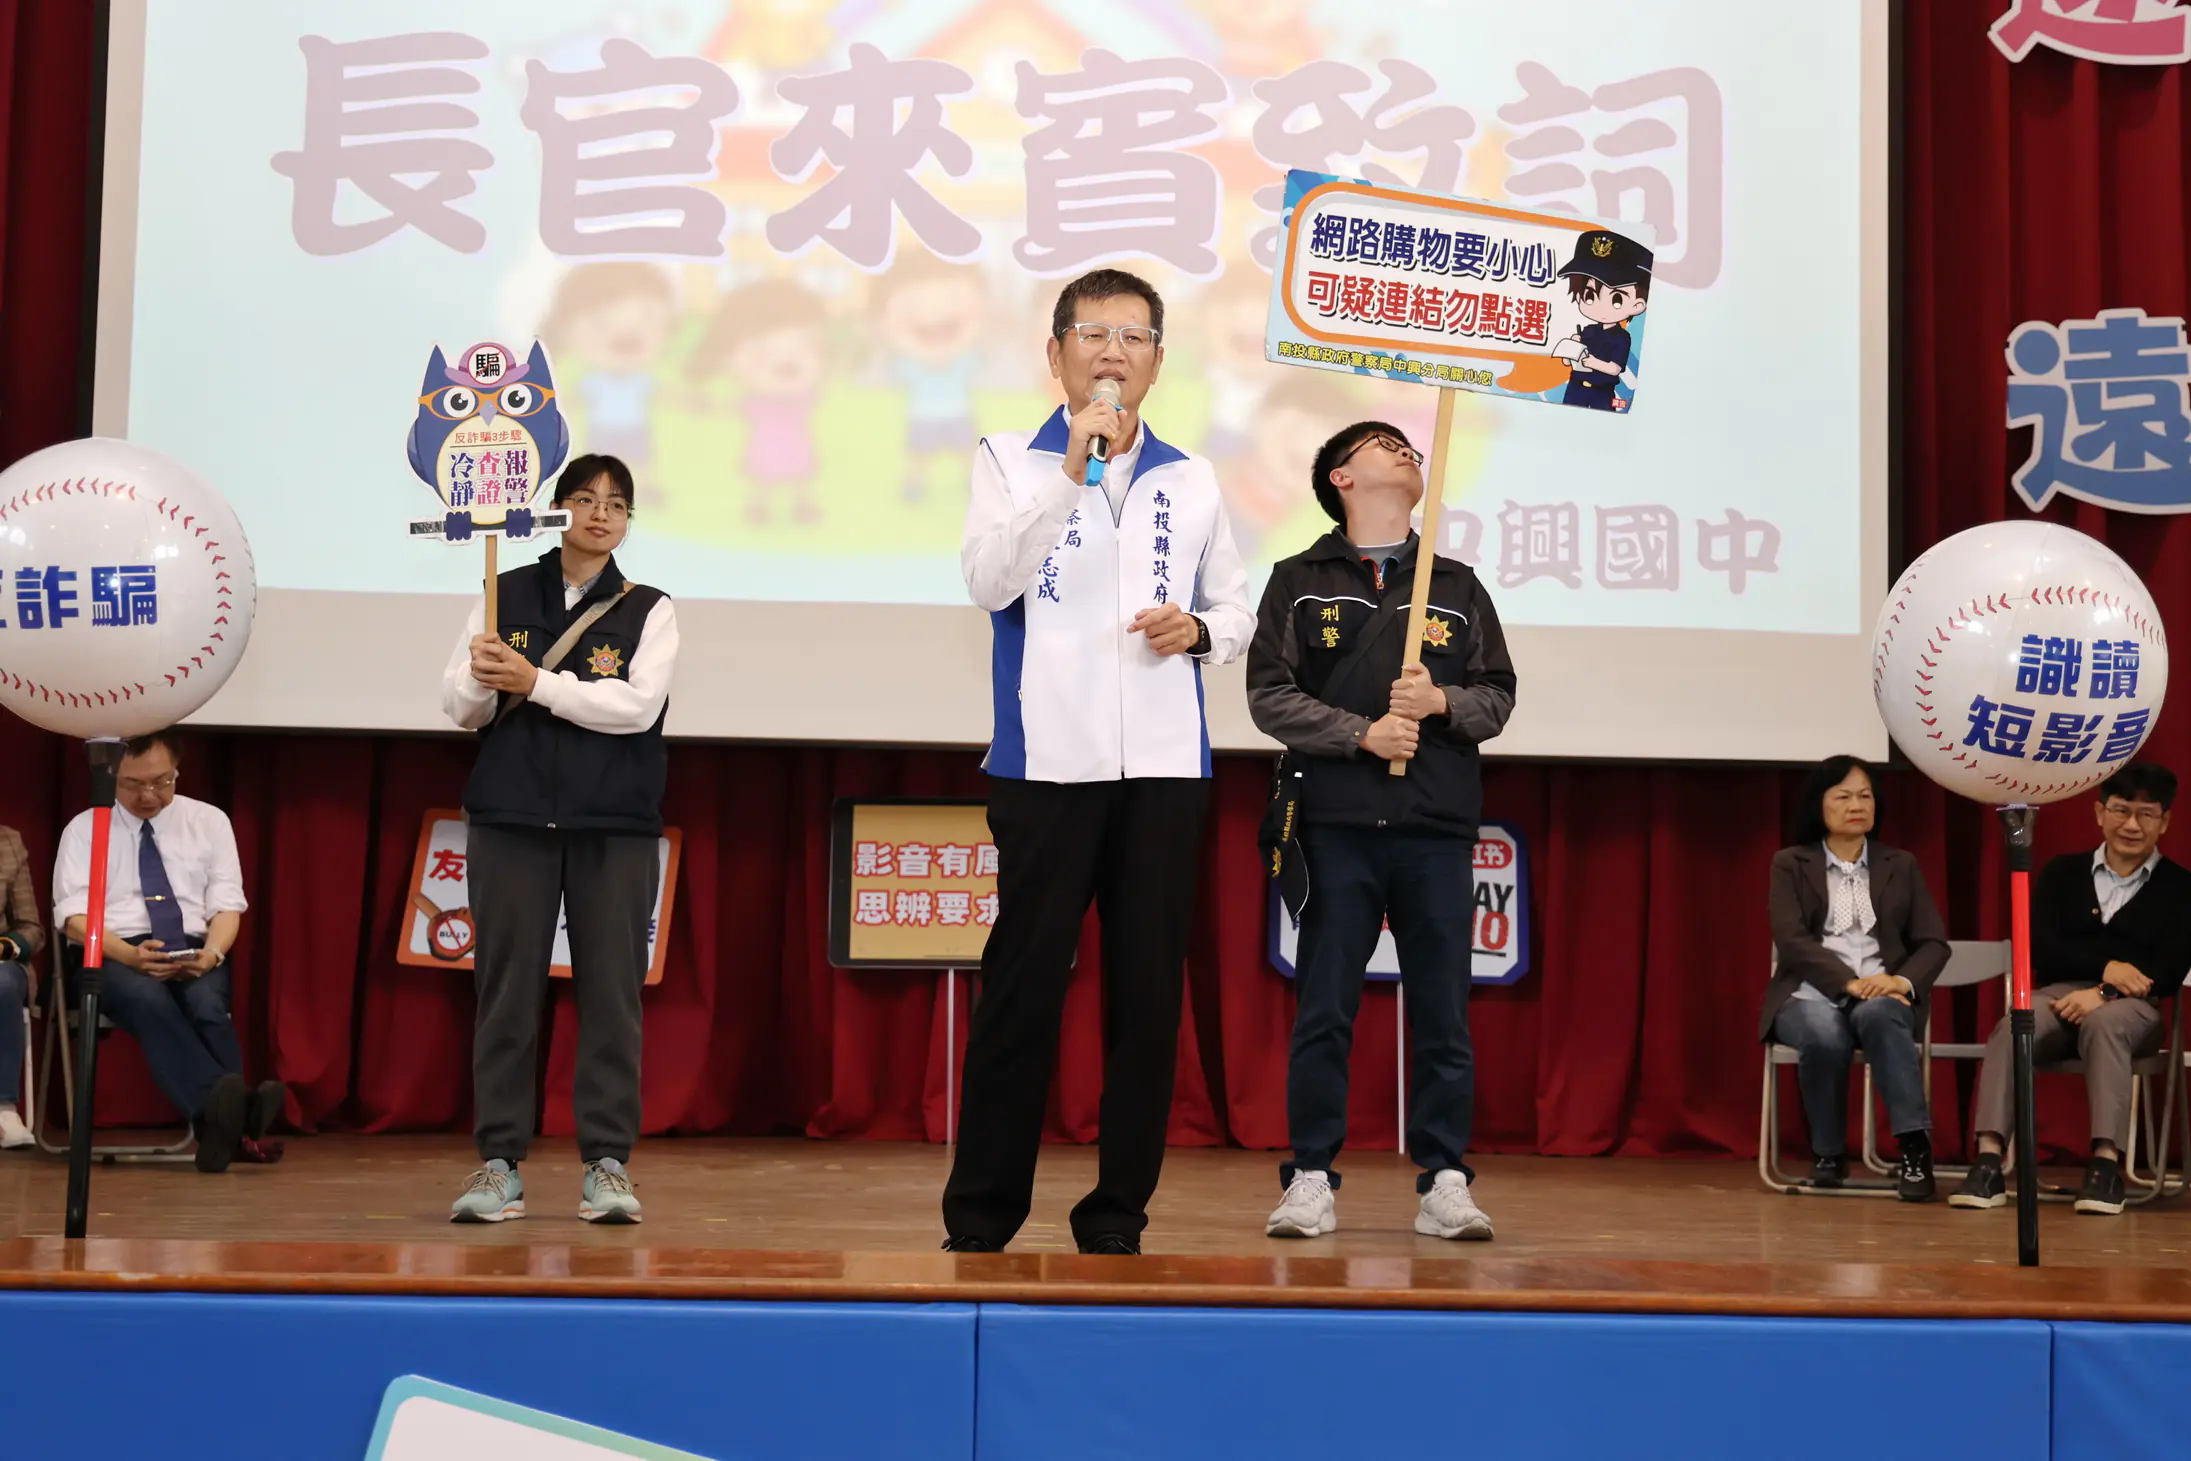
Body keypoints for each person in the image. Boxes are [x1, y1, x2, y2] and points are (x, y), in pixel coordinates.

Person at [943, 268, 1255, 1255]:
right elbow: (989, 580)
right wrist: (1069, 476)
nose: (1113, 351)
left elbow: (1237, 610)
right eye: (1093, 333)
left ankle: (1116, 1213)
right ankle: (982, 1214)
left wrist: (1198, 629)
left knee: (1146, 998)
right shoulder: (1009, 458)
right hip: (1046, 764)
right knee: (1022, 990)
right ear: (1056, 352)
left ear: (1157, 360)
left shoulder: (1191, 477)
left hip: (1163, 770)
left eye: (1133, 336)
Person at [1248, 419, 1516, 1241]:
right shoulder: (1298, 580)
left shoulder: (1457, 584)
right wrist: (1361, 733)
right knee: (1324, 1008)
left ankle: (1444, 1179)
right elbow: (1269, 696)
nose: (1406, 451)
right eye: (1382, 443)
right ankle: (1309, 1176)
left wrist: (1441, 703)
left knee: (1442, 1011)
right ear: (1340, 477)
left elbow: (1497, 695)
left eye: (1410, 446)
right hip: (1335, 825)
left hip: (1434, 826)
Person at [440, 453, 678, 1225]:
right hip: (511, 819)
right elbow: (458, 708)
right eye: (585, 498)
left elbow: (636, 708)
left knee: (611, 997)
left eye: (617, 503)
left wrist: (534, 681)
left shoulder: (649, 608)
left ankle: (607, 1164)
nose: (601, 514)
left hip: (614, 825)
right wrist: (480, 678)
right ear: (556, 507)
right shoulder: (501, 591)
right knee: (505, 996)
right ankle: (499, 1165)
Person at [1952, 762, 2191, 1216]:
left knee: (2105, 1026)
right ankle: (1988, 1162)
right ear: (2100, 813)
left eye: (2146, 814)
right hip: (2059, 995)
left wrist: (2103, 994)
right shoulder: (2063, 872)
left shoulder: (2181, 887)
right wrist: (2108, 967)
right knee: (2016, 1024)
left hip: (2134, 1007)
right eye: (2121, 810)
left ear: (2164, 822)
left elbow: (2168, 969)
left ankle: (2105, 1168)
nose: (2132, 825)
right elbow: (2041, 948)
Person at [52, 732, 284, 1172]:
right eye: (133, 784)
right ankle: (236, 1118)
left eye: (162, 782)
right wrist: (129, 956)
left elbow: (227, 905)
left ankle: (220, 1127)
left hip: (193, 946)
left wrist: (212, 955)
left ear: (177, 771)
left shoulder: (209, 821)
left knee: (206, 1003)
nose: (148, 796)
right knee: (147, 998)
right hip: (113, 950)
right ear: (110, 777)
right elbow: (73, 919)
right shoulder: (86, 828)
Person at [1763, 756, 1949, 1200]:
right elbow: (1791, 939)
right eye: (1843, 796)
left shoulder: (1899, 864)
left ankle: (1914, 1149)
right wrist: (1846, 983)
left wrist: (1899, 982)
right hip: (1809, 993)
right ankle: (1827, 1154)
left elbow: (1933, 943)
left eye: (1865, 796)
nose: (1856, 805)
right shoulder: (1790, 863)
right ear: (1819, 804)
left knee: (1881, 1015)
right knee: (1824, 1032)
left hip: (1883, 992)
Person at [1554, 230, 1651, 412]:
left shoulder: (1622, 337)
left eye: (1616, 300)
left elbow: (1615, 369)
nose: (1600, 307)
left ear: (1637, 305)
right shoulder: (1588, 331)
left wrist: (1593, 363)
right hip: (1575, 389)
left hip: (1602, 392)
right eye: (1589, 295)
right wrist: (1571, 348)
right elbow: (1568, 362)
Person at [0, 825, 45, 1148]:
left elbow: (30, 928)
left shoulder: (7, 841)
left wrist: (4, 948)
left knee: (2, 982)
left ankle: (3, 1109)